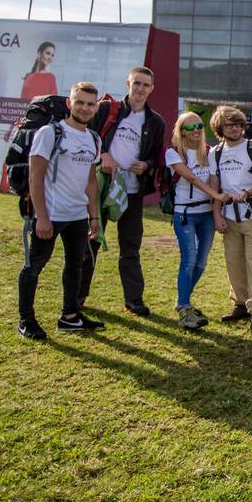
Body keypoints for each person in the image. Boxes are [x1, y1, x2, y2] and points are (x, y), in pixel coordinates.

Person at [17, 82, 103, 340]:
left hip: (77, 215)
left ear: (96, 107)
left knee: (76, 265)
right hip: (50, 215)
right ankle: (26, 320)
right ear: (69, 103)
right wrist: (42, 217)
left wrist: (94, 215)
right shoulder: (50, 133)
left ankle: (70, 316)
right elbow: (36, 176)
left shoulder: (94, 138)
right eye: (80, 102)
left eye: (90, 104)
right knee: (34, 266)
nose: (85, 108)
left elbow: (90, 180)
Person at [79, 66, 166, 316]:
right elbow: (86, 136)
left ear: (151, 89)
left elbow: (155, 157)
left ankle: (133, 300)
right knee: (91, 240)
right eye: (136, 83)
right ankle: (78, 296)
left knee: (131, 247)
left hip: (132, 192)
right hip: (101, 188)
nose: (140, 89)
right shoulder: (108, 109)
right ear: (128, 82)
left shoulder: (155, 121)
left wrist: (146, 165)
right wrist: (103, 155)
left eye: (145, 85)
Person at [207, 105, 252, 335]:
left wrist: (250, 192)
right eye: (229, 124)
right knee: (233, 262)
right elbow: (215, 186)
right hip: (228, 216)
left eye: (238, 124)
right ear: (219, 128)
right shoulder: (215, 152)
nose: (234, 128)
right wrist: (216, 215)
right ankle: (240, 303)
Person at [165, 111, 228, 330]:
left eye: (199, 126)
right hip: (185, 214)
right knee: (189, 260)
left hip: (206, 214)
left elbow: (214, 177)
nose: (197, 130)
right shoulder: (173, 153)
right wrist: (215, 193)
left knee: (201, 262)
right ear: (181, 131)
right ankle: (184, 308)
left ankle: (184, 302)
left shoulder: (209, 152)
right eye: (190, 127)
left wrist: (217, 207)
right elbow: (190, 177)